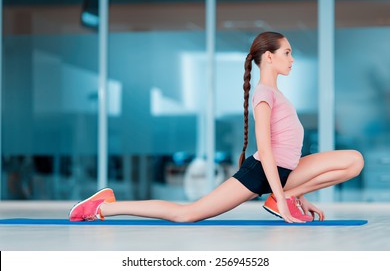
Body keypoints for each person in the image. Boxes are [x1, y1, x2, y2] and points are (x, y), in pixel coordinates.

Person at [69, 31, 364, 223]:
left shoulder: (278, 94)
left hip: (286, 172)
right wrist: (283, 204)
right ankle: (103, 205)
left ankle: (284, 196)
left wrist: (299, 197)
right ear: (269, 57)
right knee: (187, 214)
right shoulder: (264, 95)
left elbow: (287, 151)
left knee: (353, 162)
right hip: (262, 172)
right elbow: (266, 149)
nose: (292, 58)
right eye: (287, 52)